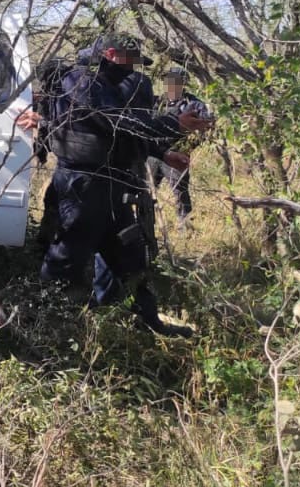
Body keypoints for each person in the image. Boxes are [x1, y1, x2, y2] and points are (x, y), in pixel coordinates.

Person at [18, 33, 213, 336]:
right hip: (83, 187)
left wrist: (162, 152)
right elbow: (114, 121)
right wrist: (173, 124)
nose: (135, 68)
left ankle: (142, 324)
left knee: (131, 262)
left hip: (117, 187)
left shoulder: (121, 86)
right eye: (131, 60)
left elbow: (122, 135)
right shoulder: (79, 81)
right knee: (66, 258)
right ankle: (39, 329)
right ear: (110, 54)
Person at [146, 67, 209, 222]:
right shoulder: (156, 102)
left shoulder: (194, 105)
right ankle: (147, 223)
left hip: (177, 155)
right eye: (168, 81)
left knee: (180, 192)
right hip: (154, 154)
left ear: (183, 83)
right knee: (147, 190)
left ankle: (185, 226)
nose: (171, 85)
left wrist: (184, 148)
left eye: (175, 81)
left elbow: (205, 129)